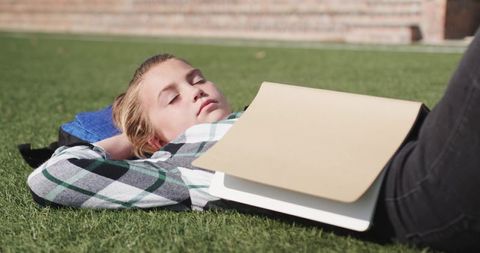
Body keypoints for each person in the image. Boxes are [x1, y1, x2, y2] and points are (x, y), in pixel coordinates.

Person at [27, 29, 480, 252]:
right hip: (410, 193)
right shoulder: (177, 167)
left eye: (196, 78)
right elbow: (54, 177)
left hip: (420, 147)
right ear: (152, 136)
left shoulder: (260, 114)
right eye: (173, 97)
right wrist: (131, 140)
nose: (196, 90)